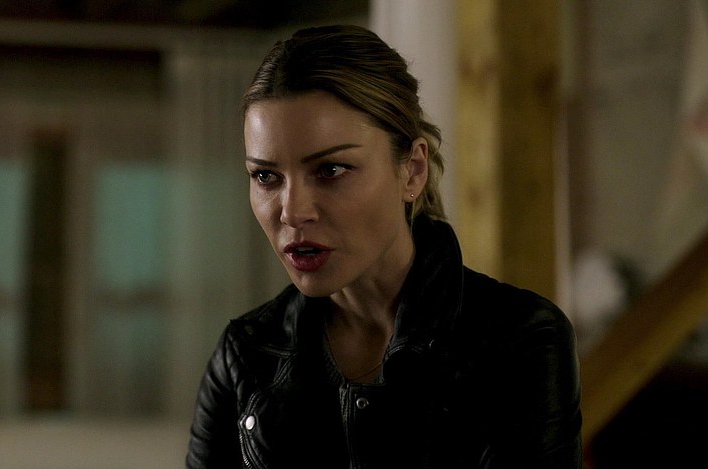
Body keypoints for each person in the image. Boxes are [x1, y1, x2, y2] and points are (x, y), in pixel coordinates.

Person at [186, 24, 581, 469]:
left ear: (412, 171)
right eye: (265, 176)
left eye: (330, 170)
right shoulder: (245, 354)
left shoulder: (520, 339)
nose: (292, 212)